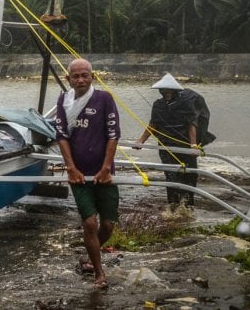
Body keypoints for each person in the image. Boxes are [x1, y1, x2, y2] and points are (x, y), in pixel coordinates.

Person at [54, 58, 120, 289]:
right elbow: (61, 136)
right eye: (76, 76)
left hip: (104, 173)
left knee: (108, 225)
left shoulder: (104, 99)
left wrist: (105, 168)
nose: (81, 80)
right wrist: (71, 168)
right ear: (68, 79)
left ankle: (91, 252)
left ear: (92, 77)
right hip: (79, 175)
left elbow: (113, 134)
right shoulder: (64, 100)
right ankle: (99, 273)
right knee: (90, 223)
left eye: (85, 75)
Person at [134, 73, 209, 208]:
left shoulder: (186, 103)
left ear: (175, 90)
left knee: (190, 176)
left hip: (184, 145)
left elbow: (192, 124)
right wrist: (141, 141)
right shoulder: (158, 105)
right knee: (171, 176)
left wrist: (193, 145)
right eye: (164, 90)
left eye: (169, 90)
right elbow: (153, 125)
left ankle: (188, 206)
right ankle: (173, 206)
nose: (166, 93)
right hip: (166, 146)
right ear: (160, 91)